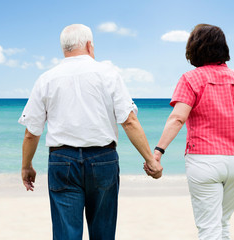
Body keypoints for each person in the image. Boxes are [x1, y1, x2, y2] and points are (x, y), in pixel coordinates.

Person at [19, 24, 163, 240]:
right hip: (103, 159)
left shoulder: (47, 79)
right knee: (103, 234)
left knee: (66, 234)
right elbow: (129, 122)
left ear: (64, 49)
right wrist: (150, 160)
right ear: (89, 45)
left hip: (62, 161)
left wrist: (26, 165)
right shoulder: (108, 74)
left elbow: (32, 132)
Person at [145, 24, 234, 240]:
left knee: (209, 228)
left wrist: (158, 151)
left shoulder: (191, 79)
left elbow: (178, 118)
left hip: (204, 159)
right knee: (223, 224)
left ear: (194, 48)